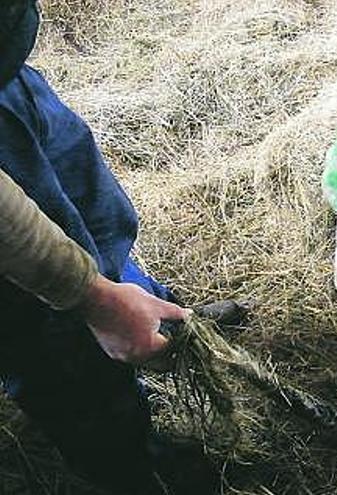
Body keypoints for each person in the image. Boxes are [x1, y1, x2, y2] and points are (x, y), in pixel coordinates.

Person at [1, 2, 219, 493]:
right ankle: (126, 464)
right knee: (51, 342)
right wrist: (90, 298)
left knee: (92, 224)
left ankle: (146, 311)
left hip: (10, 75)